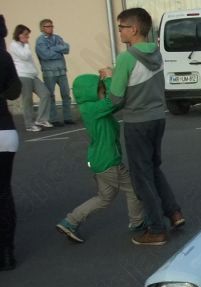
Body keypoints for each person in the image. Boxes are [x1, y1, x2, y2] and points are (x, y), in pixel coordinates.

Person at [109, 8, 184, 246]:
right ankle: (174, 212)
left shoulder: (126, 58)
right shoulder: (156, 53)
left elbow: (116, 98)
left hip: (137, 121)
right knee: (153, 168)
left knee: (141, 177)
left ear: (133, 29)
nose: (119, 32)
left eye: (121, 27)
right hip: (157, 118)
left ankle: (156, 230)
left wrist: (108, 79)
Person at [56, 73, 145, 243]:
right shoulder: (93, 109)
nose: (105, 94)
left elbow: (116, 104)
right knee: (134, 189)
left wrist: (106, 83)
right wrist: (110, 78)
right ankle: (137, 222)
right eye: (102, 91)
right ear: (91, 92)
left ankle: (70, 221)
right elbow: (114, 100)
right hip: (109, 161)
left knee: (104, 198)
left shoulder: (93, 108)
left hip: (100, 161)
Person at [0, 15, 21, 271]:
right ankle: (7, 253)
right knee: (4, 193)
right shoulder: (4, 57)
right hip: (5, 131)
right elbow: (15, 90)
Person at [8, 24, 52, 132]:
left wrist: (35, 71)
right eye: (26, 34)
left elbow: (29, 60)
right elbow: (24, 56)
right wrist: (26, 44)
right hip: (23, 75)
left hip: (32, 75)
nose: (27, 37)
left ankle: (41, 119)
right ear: (19, 34)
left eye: (28, 34)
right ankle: (29, 124)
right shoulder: (14, 45)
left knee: (45, 94)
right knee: (28, 100)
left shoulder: (23, 45)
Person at [34, 18, 74, 126]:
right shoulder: (40, 41)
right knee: (51, 96)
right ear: (42, 28)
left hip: (62, 70)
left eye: (51, 26)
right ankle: (54, 119)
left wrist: (52, 48)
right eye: (48, 26)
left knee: (66, 94)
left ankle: (68, 118)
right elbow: (45, 55)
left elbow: (66, 48)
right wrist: (58, 50)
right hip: (49, 72)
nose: (51, 28)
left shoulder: (57, 37)